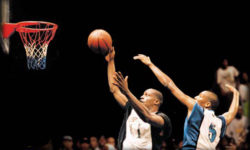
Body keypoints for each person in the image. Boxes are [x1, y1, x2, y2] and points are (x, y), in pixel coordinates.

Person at [133, 54, 239, 150]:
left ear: (207, 104)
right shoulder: (220, 122)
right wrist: (236, 94)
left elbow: (170, 84)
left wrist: (150, 64)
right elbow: (231, 113)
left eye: (200, 96)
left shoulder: (196, 108)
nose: (195, 97)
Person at [105, 48, 172, 150]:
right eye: (143, 94)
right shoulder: (131, 109)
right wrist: (111, 60)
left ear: (156, 101)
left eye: (147, 95)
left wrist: (127, 92)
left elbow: (147, 117)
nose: (142, 96)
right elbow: (114, 90)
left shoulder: (163, 119)